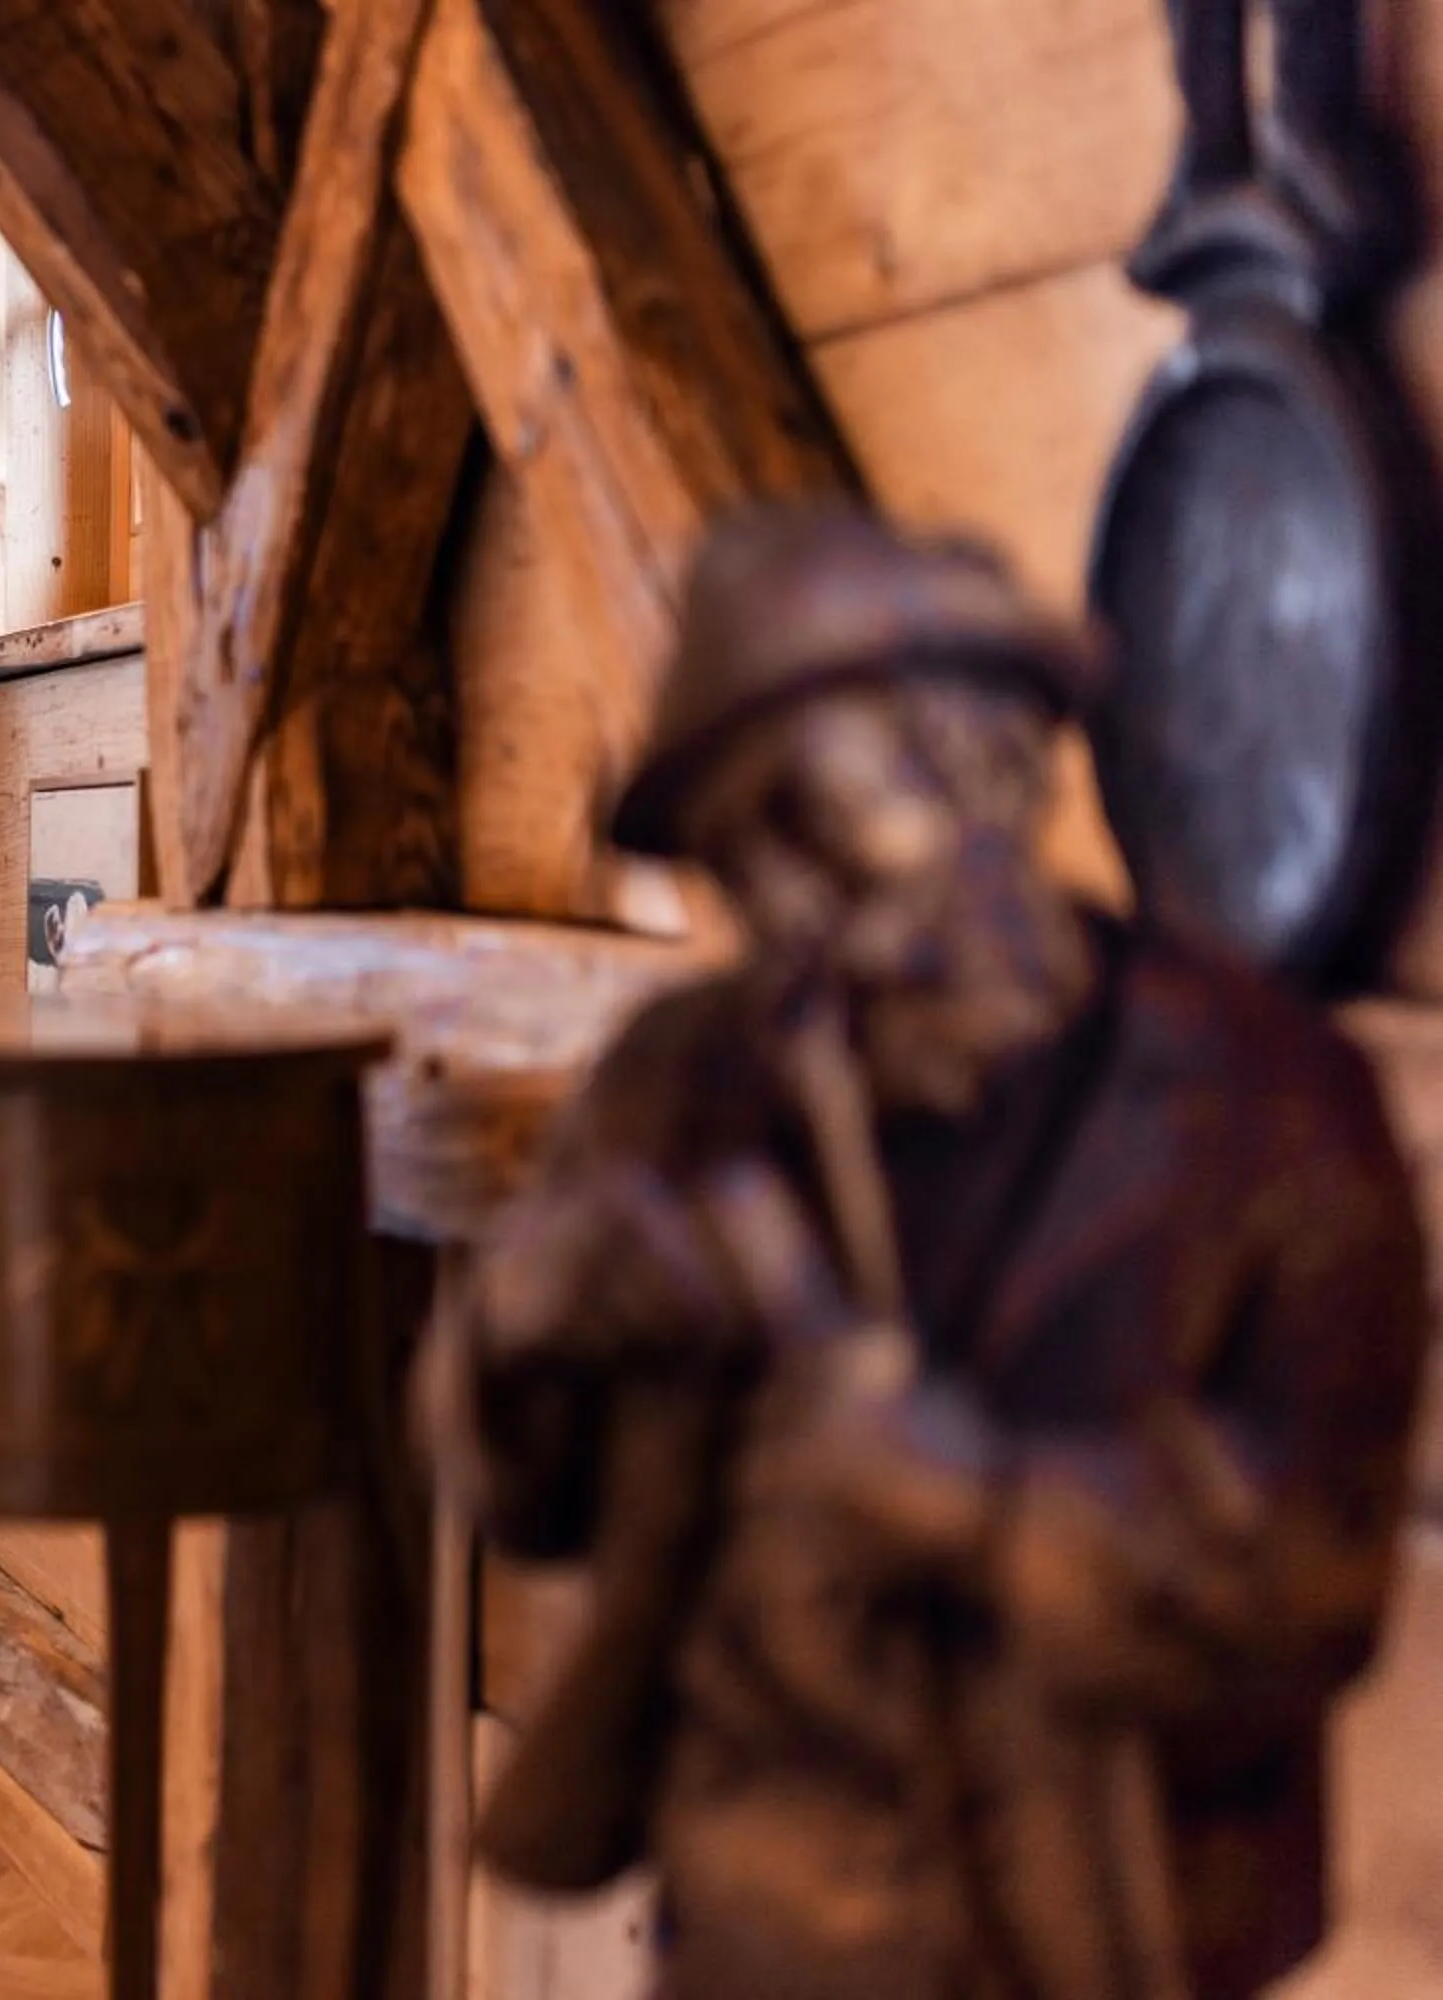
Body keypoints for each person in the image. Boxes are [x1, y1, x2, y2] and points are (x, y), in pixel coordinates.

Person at [445, 508, 1429, 2000]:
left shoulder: (1269, 1105)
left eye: (816, 816)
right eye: (737, 855)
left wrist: (974, 1501)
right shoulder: (685, 1076)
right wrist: (520, 1334)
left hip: (1128, 1937)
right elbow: (522, 1502)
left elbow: (1315, 1583)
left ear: (992, 770)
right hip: (759, 1914)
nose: (782, 901)